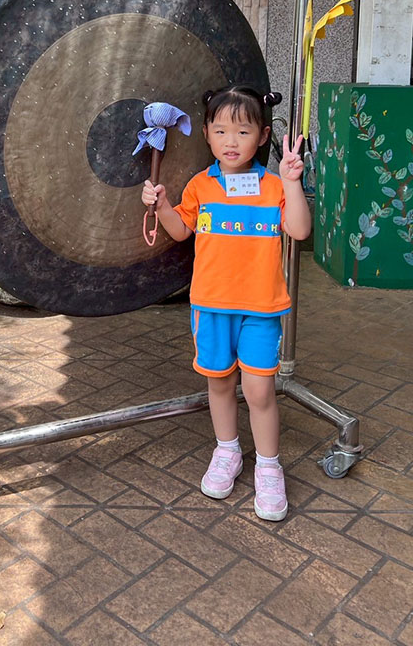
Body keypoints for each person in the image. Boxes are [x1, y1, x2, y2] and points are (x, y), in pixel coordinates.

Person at [141, 84, 311, 520]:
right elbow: (180, 231)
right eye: (220, 131)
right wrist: (162, 205)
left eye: (242, 131)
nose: (230, 141)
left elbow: (299, 230)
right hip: (211, 306)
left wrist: (293, 183)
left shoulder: (273, 186)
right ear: (206, 134)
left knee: (259, 390)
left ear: (263, 135)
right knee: (218, 384)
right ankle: (228, 451)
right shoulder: (201, 185)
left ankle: (269, 467)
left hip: (261, 309)